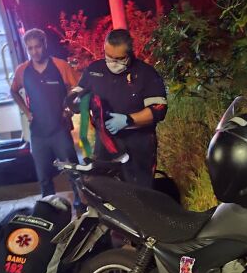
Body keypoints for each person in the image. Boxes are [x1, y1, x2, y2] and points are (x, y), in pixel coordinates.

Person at [67, 29, 168, 187]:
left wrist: (128, 120)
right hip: (105, 143)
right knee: (104, 189)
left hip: (138, 142)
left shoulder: (145, 74)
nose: (113, 63)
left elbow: (159, 109)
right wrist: (73, 101)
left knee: (140, 191)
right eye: (109, 57)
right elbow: (78, 95)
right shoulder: (95, 70)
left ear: (130, 53)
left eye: (119, 59)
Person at [12, 28, 83, 209]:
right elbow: (13, 91)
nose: (35, 52)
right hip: (38, 133)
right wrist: (27, 112)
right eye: (30, 48)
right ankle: (50, 209)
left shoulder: (60, 66)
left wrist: (70, 107)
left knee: (72, 170)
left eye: (37, 47)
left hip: (60, 129)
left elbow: (77, 89)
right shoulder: (22, 70)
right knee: (43, 177)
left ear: (44, 45)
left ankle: (80, 203)